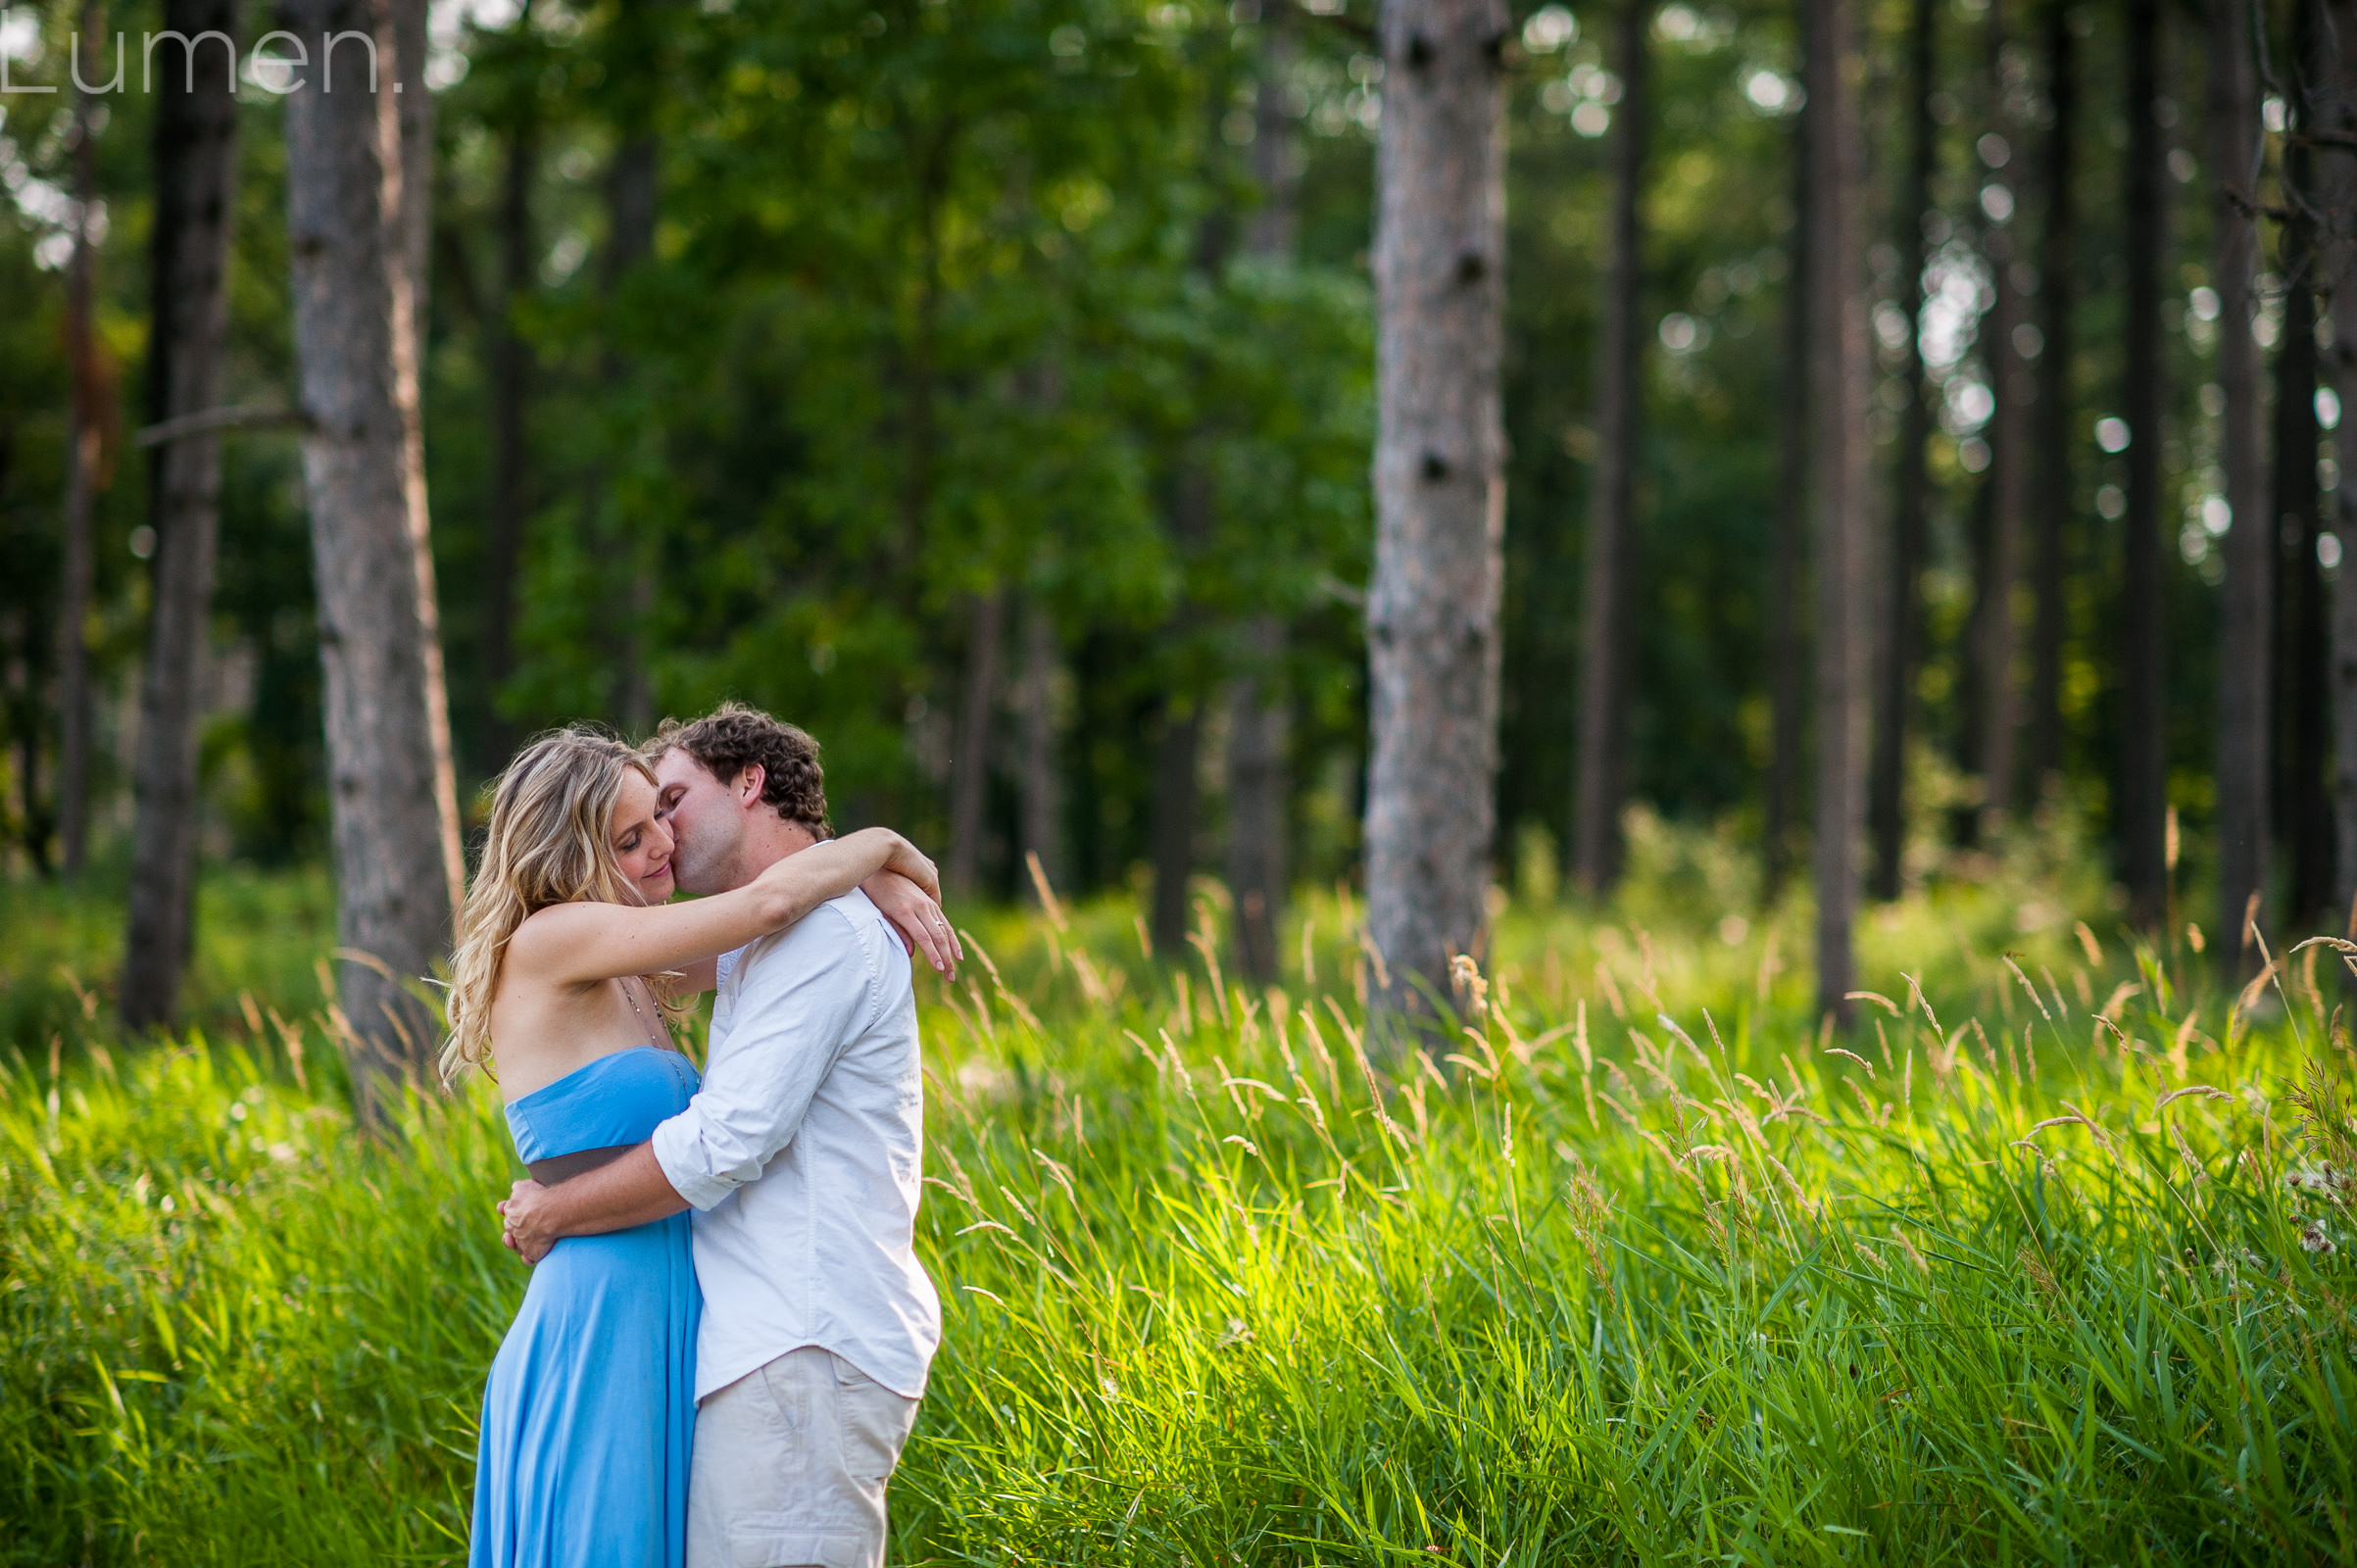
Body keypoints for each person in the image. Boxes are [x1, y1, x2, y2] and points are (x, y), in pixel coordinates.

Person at [447, 724, 957, 1568]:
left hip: (681, 1314)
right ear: (572, 848)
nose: (663, 847)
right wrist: (880, 847)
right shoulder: (557, 940)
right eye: (632, 837)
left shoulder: (629, 968)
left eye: (663, 816)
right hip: (604, 1307)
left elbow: (774, 933)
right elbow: (764, 910)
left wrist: (876, 892)